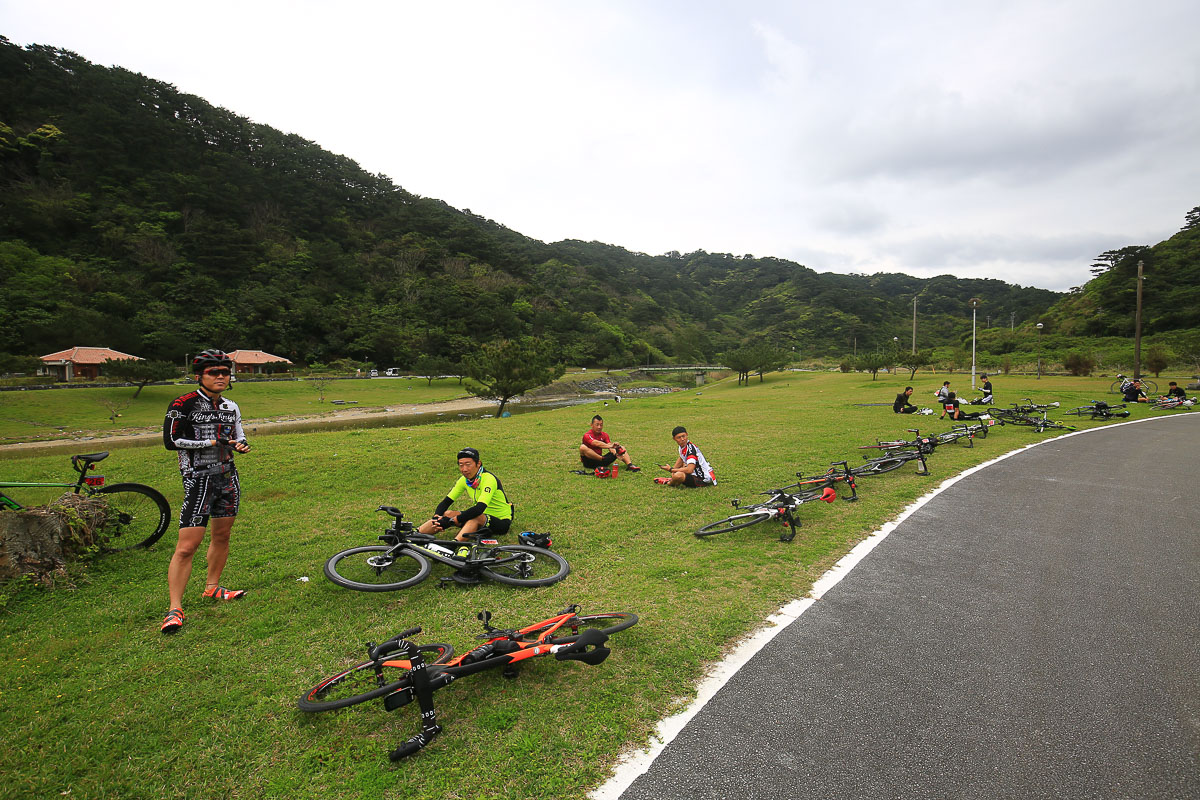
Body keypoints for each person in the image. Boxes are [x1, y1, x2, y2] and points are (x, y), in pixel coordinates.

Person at [160, 349, 252, 634]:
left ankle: (212, 587)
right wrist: (211, 442)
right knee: (187, 546)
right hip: (197, 479)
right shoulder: (183, 404)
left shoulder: (230, 406)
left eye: (225, 372)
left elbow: (239, 434)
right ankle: (175, 607)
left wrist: (240, 444)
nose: (221, 377)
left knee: (222, 535)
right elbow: (171, 440)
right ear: (200, 376)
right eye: (214, 373)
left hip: (227, 477)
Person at [418, 447, 513, 542]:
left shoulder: (489, 479)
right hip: (482, 517)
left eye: (468, 464)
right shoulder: (464, 480)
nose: (464, 469)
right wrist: (436, 518)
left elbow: (479, 508)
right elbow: (446, 502)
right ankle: (416, 534)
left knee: (475, 517)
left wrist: (452, 521)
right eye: (461, 465)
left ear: (478, 464)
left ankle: (453, 545)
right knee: (447, 513)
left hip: (501, 521)